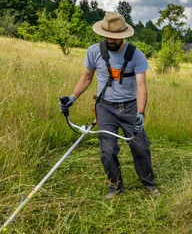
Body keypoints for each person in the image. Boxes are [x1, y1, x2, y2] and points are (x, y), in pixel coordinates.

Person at [59, 12, 159, 199]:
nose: (109, 39)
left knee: (141, 147)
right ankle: (115, 186)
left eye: (114, 36)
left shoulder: (136, 55)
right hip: (104, 107)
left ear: (122, 35)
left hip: (129, 107)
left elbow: (141, 87)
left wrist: (140, 114)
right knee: (108, 151)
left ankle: (149, 185)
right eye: (106, 34)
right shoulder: (93, 51)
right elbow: (86, 77)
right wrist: (72, 98)